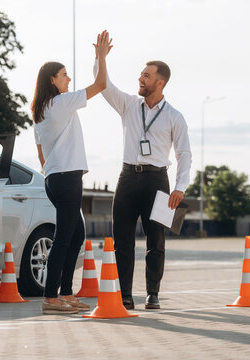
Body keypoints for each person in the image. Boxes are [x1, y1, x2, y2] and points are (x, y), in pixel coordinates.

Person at [93, 39, 192, 310]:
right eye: (141, 74)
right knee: (122, 241)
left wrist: (180, 187)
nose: (140, 78)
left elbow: (184, 154)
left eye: (146, 76)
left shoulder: (175, 117)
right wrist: (100, 57)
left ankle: (153, 293)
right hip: (127, 178)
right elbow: (104, 86)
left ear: (159, 83)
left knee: (156, 240)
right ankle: (125, 295)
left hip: (157, 181)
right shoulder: (128, 105)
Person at [32, 30, 113, 314]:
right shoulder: (61, 103)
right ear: (52, 80)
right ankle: (51, 298)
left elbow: (42, 155)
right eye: (64, 75)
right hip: (66, 178)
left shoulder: (41, 110)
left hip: (55, 178)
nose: (68, 79)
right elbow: (101, 84)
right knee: (64, 239)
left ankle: (65, 293)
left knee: (76, 235)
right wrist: (101, 57)